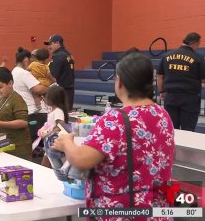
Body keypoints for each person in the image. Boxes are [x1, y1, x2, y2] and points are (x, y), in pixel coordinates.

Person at [52, 53, 175, 220]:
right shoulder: (163, 114)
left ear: (120, 82)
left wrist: (66, 142)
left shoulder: (116, 119)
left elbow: (81, 159)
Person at [157, 32, 205, 131]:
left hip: (171, 98)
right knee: (188, 131)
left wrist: (162, 91)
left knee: (171, 130)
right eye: (199, 45)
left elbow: (159, 76)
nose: (198, 48)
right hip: (190, 100)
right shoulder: (198, 58)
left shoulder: (167, 56)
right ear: (194, 43)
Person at [0, 67, 32, 160]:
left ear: (10, 83)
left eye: (0, 87)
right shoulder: (2, 98)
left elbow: (23, 122)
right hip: (7, 143)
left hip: (19, 147)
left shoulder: (17, 99)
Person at [11, 47, 48, 156]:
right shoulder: (24, 73)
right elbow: (37, 89)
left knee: (31, 139)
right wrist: (50, 86)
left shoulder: (14, 71)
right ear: (26, 60)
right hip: (34, 111)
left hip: (27, 109)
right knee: (36, 139)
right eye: (31, 60)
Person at [39, 85, 69, 168]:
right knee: (47, 164)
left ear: (53, 99)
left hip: (53, 142)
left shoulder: (58, 111)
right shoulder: (53, 111)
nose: (45, 99)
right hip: (50, 142)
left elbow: (60, 126)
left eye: (47, 97)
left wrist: (48, 134)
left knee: (49, 165)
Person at [44, 34, 75, 111]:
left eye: (50, 44)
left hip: (61, 91)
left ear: (58, 43)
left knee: (60, 116)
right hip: (69, 90)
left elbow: (53, 75)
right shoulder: (67, 54)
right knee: (66, 114)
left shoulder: (58, 56)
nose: (48, 47)